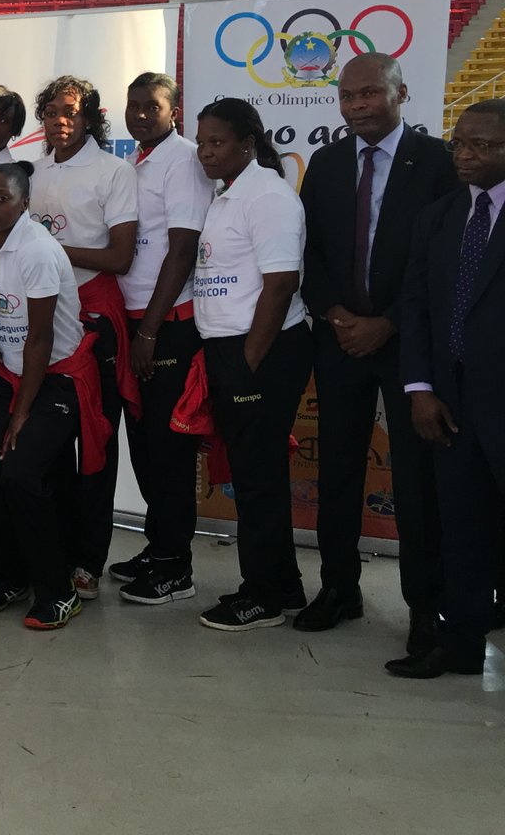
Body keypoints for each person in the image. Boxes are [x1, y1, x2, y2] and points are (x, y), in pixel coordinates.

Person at [296, 53, 456, 647]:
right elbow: (308, 253)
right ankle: (339, 587)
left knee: (416, 479)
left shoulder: (438, 162)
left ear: (400, 93)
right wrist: (340, 316)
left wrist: (387, 324)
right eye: (348, 96)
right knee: (337, 469)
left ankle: (424, 604)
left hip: (410, 344)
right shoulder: (327, 163)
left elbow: (443, 263)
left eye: (369, 94)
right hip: (339, 342)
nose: (358, 105)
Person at [393, 99, 505, 678]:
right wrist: (419, 388)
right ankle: (460, 645)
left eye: (481, 145)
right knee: (460, 529)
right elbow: (415, 308)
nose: (464, 154)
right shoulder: (437, 217)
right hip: (449, 405)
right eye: (459, 142)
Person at [191, 98, 312, 632]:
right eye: (201, 142)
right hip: (234, 349)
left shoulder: (267, 195)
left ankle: (261, 594)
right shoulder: (228, 194)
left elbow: (281, 283)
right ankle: (282, 585)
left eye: (217, 142)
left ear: (248, 143)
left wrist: (248, 362)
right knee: (252, 472)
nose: (206, 152)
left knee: (258, 476)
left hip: (261, 351)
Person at [0, 162, 96, 630]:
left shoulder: (37, 249)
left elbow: (40, 339)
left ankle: (58, 591)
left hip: (55, 377)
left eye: (2, 199)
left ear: (24, 203)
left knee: (19, 471)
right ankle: (10, 575)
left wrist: (21, 416)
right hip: (10, 372)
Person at [29, 75, 138, 601]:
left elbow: (120, 257)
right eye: (50, 111)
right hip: (43, 321)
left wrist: (52, 252)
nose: (60, 120)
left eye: (70, 111)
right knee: (47, 446)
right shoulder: (33, 171)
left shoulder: (114, 171)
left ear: (91, 116)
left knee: (95, 444)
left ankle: (88, 560)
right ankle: (49, 548)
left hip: (95, 323)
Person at [110, 73, 213, 605]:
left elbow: (182, 250)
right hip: (135, 324)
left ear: (174, 110)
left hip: (167, 327)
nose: (140, 114)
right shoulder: (136, 161)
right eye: (133, 106)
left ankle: (177, 566)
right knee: (146, 446)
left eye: (151, 106)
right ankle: (158, 547)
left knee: (169, 451)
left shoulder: (184, 160)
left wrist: (149, 329)